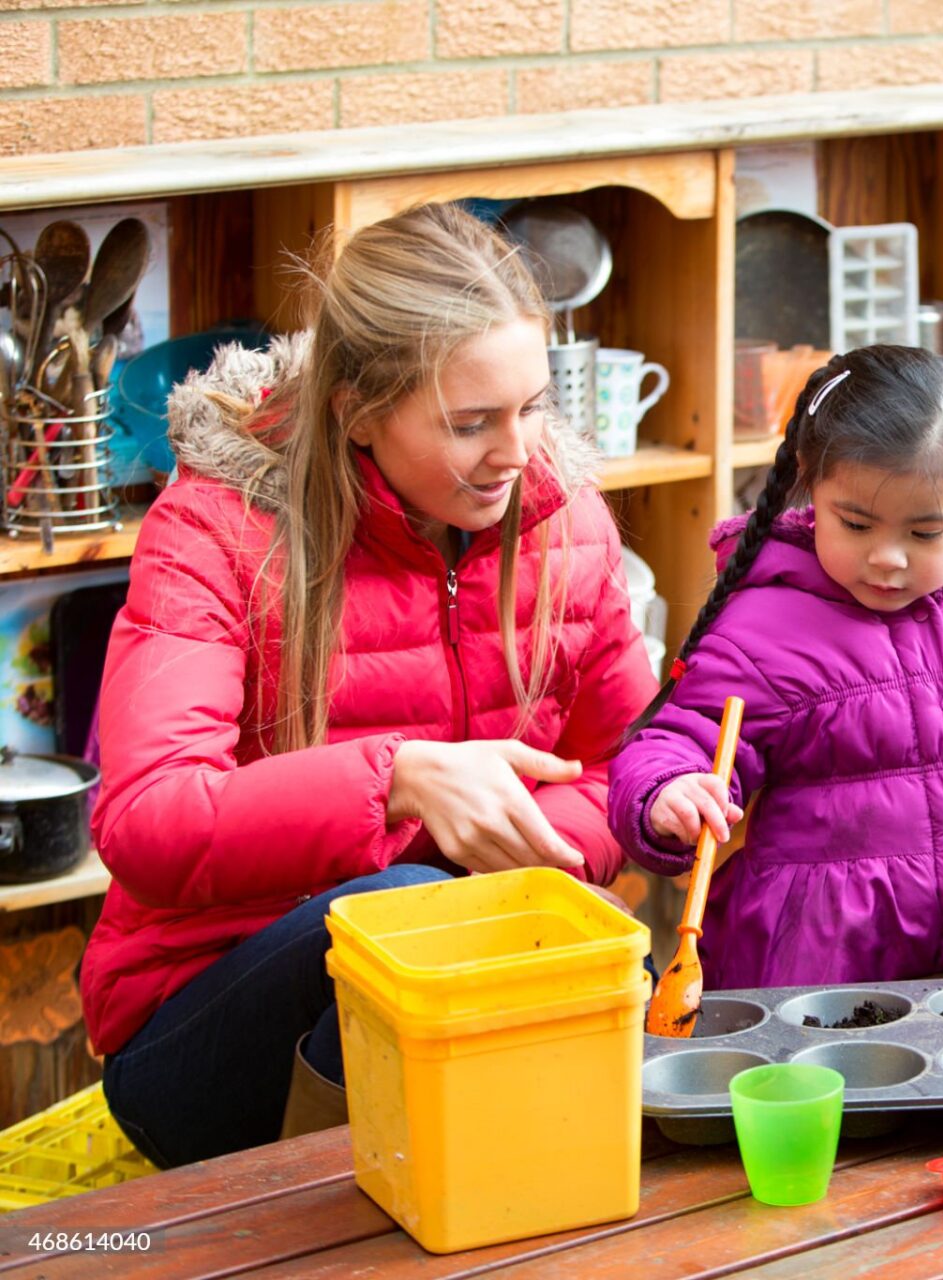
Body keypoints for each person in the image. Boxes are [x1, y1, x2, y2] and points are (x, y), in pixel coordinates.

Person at [81, 203, 657, 1168]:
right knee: (401, 907)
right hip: (205, 1026)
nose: (518, 455)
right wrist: (396, 780)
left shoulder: (567, 521)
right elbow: (147, 820)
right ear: (355, 411)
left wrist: (536, 848)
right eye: (471, 424)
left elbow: (628, 762)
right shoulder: (214, 533)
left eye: (534, 406)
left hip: (467, 980)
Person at [609, 345, 943, 989]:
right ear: (811, 479)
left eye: (924, 534)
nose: (887, 558)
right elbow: (681, 735)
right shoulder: (763, 629)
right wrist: (670, 790)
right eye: (856, 523)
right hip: (821, 962)